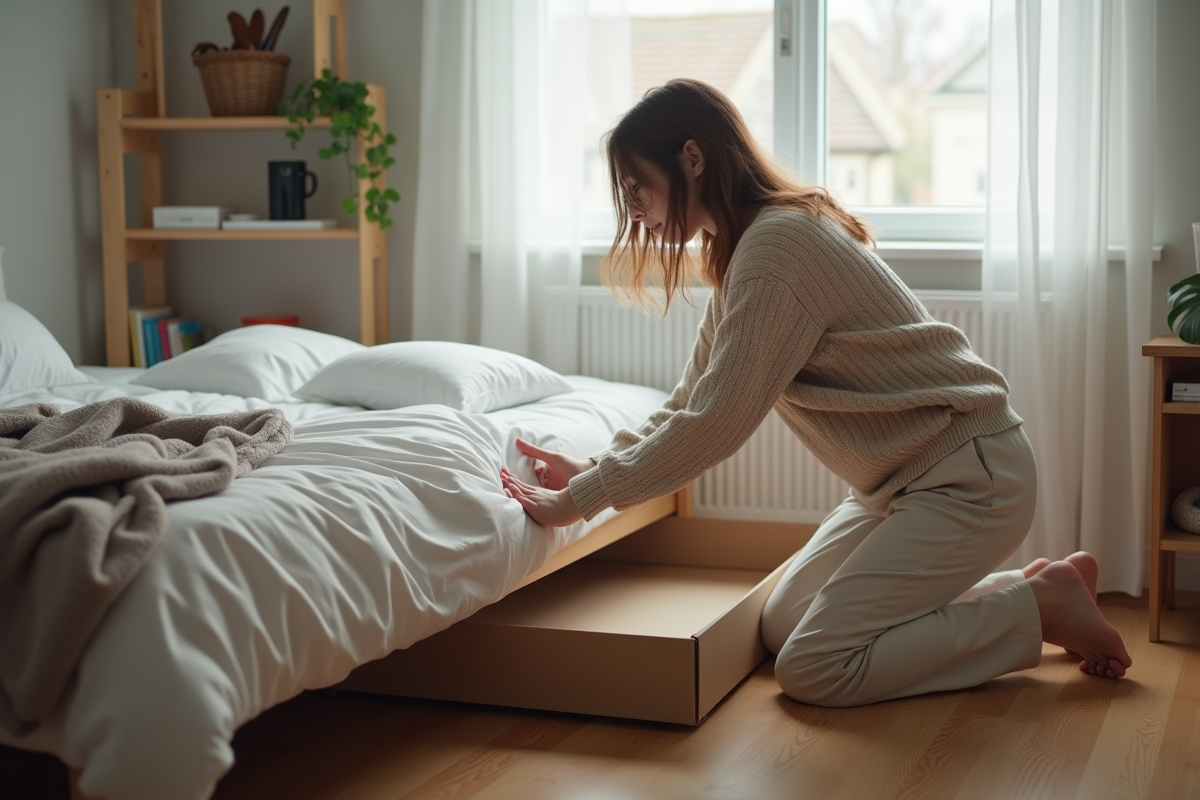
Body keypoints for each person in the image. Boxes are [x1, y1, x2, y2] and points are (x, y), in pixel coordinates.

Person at [499, 78, 1131, 707]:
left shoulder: (776, 249)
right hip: (901, 487)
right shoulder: (743, 250)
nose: (633, 210)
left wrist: (580, 501)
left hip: (970, 480)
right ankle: (1042, 587)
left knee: (814, 666)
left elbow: (715, 423)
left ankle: (1041, 610)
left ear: (692, 158)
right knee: (781, 624)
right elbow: (693, 397)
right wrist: (595, 467)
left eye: (638, 188)